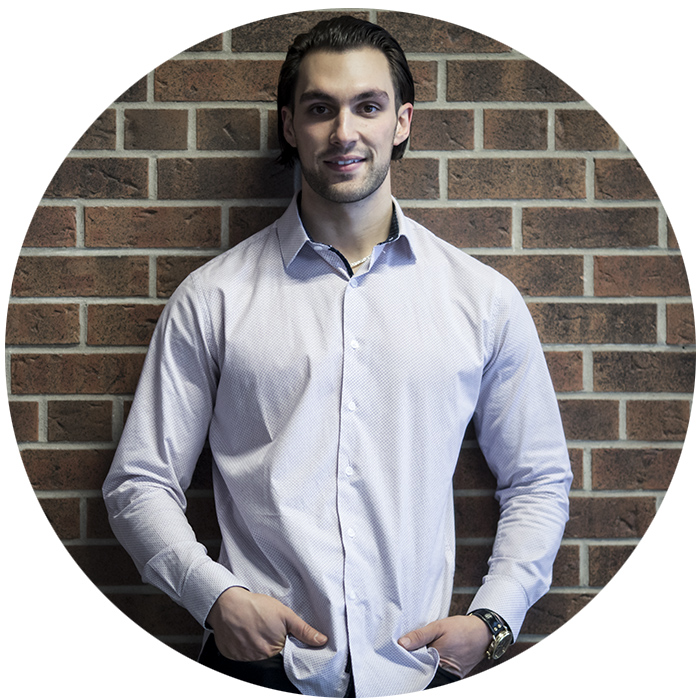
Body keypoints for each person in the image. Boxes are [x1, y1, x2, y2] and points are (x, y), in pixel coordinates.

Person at [103, 16, 572, 698]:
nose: (344, 132)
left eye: (368, 106)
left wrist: (494, 621)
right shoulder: (215, 298)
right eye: (321, 109)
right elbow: (138, 482)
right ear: (291, 126)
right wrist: (214, 598)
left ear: (402, 122)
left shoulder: (482, 301)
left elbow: (537, 481)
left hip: (422, 669)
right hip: (257, 666)